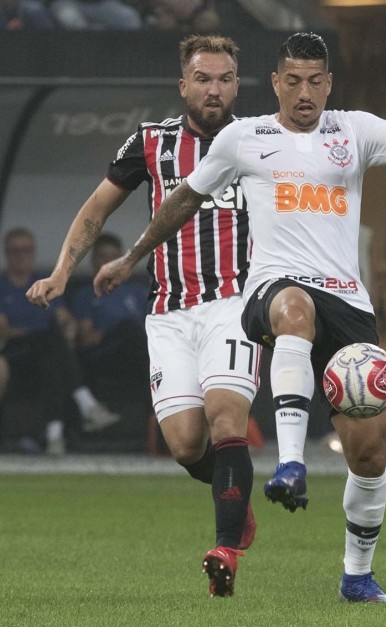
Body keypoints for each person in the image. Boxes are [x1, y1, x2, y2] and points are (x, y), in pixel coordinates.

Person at [92, 32, 386, 605]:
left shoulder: (353, 130)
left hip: (347, 302)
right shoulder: (245, 137)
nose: (304, 93)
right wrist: (133, 256)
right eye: (293, 81)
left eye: (316, 82)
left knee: (369, 452)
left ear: (328, 84)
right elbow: (184, 199)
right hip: (271, 288)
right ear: (277, 84)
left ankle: (356, 577)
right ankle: (290, 463)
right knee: (294, 308)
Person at [27, 35, 257, 598]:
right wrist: (62, 272)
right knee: (184, 444)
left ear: (236, 84)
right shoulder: (152, 142)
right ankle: (236, 500)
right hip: (169, 312)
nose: (214, 88)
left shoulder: (259, 142)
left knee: (227, 416)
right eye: (203, 78)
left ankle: (225, 547)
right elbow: (96, 209)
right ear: (184, 86)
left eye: (225, 78)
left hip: (234, 304)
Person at [2, 227, 121, 455]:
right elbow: (5, 330)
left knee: (53, 358)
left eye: (26, 250)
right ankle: (86, 405)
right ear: (7, 253)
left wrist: (69, 329)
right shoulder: (2, 286)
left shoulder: (42, 284)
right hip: (16, 355)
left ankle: (54, 437)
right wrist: (34, 331)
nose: (21, 255)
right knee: (50, 341)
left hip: (47, 355)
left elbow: (65, 320)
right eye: (15, 251)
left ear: (34, 252)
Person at [68, 233, 150, 409]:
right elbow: (86, 340)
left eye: (115, 258)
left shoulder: (137, 291)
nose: (110, 263)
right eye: (104, 257)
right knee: (128, 327)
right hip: (104, 354)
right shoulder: (86, 294)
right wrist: (115, 331)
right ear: (94, 260)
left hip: (138, 351)